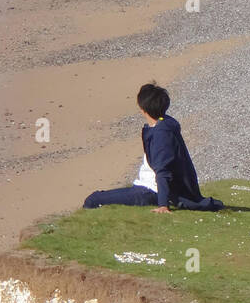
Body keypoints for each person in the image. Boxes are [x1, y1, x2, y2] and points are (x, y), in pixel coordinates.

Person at [83, 83, 223, 212]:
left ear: (142, 109)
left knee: (93, 200)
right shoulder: (166, 123)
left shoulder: (161, 134)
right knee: (99, 197)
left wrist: (163, 205)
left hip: (150, 191)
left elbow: (163, 171)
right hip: (147, 187)